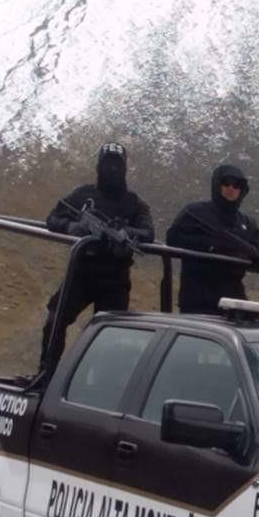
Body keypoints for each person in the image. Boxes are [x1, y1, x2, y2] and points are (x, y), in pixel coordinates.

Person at [39, 142, 154, 369]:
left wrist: (127, 232)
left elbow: (148, 233)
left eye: (117, 165)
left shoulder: (134, 203)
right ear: (99, 166)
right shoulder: (83, 195)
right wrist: (72, 227)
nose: (112, 170)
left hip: (115, 278)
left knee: (109, 338)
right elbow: (53, 218)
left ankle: (97, 387)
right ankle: (46, 375)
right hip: (82, 273)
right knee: (55, 320)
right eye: (108, 164)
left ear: (125, 168)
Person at [166, 164, 259, 314]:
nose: (231, 188)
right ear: (217, 185)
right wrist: (211, 245)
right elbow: (173, 239)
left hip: (234, 298)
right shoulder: (194, 212)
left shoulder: (246, 222)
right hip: (198, 299)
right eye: (226, 183)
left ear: (243, 189)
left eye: (237, 185)